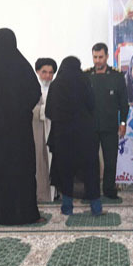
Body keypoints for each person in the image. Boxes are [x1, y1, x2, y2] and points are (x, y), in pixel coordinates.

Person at [0, 28, 42, 225]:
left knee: (0, 173)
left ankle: (1, 214)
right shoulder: (22, 65)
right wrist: (22, 110)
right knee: (22, 172)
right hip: (20, 133)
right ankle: (26, 214)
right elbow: (35, 91)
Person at [46, 56, 102, 216]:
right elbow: (92, 104)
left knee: (66, 172)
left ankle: (67, 208)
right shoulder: (85, 80)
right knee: (90, 170)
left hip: (63, 136)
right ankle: (96, 208)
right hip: (85, 135)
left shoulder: (56, 84)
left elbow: (49, 111)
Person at [85, 43, 129, 199]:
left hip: (110, 126)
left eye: (100, 57)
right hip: (90, 127)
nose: (97, 60)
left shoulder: (117, 76)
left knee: (110, 161)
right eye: (95, 57)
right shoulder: (86, 75)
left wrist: (123, 123)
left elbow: (124, 103)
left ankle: (109, 190)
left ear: (107, 57)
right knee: (90, 161)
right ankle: (91, 190)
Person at [33, 57, 57, 202]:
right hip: (37, 130)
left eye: (50, 72)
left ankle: (53, 194)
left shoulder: (58, 89)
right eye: (44, 72)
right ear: (37, 72)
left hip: (53, 129)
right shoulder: (31, 88)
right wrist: (45, 110)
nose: (47, 76)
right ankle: (41, 194)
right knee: (39, 162)